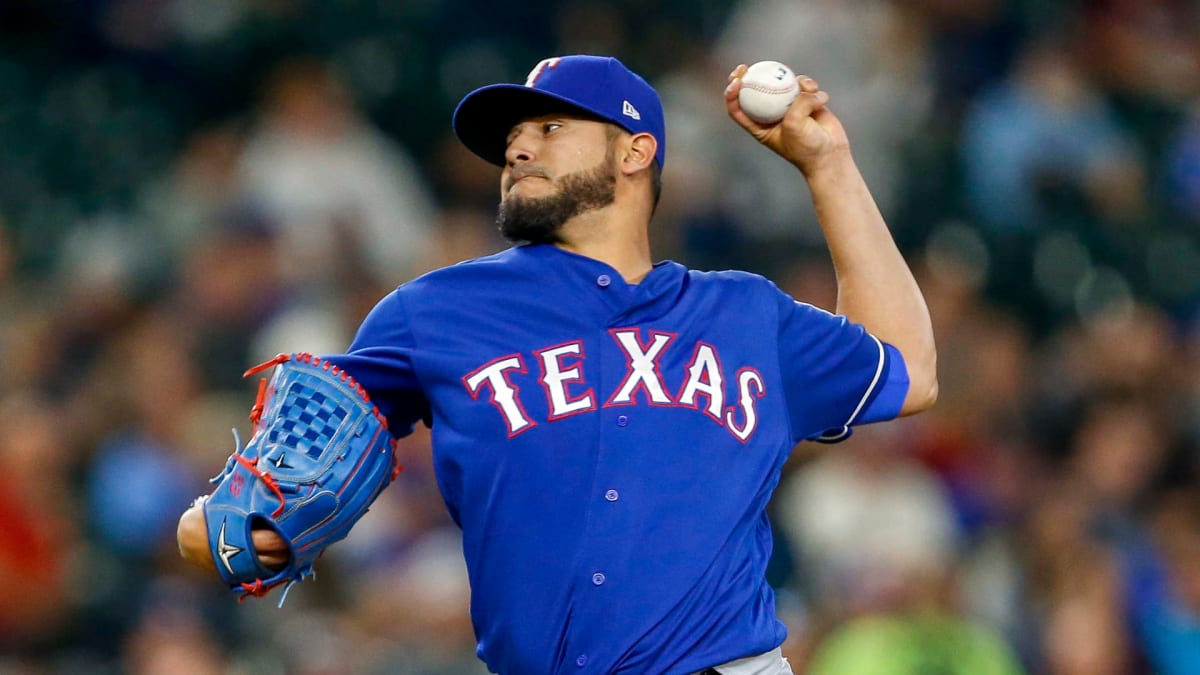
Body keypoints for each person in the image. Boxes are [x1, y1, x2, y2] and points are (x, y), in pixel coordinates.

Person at [178, 54, 937, 675]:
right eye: (513, 136)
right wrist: (231, 528)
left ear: (636, 150)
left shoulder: (744, 313)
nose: (518, 147)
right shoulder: (433, 311)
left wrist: (828, 165)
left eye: (550, 125)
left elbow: (908, 367)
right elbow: (246, 514)